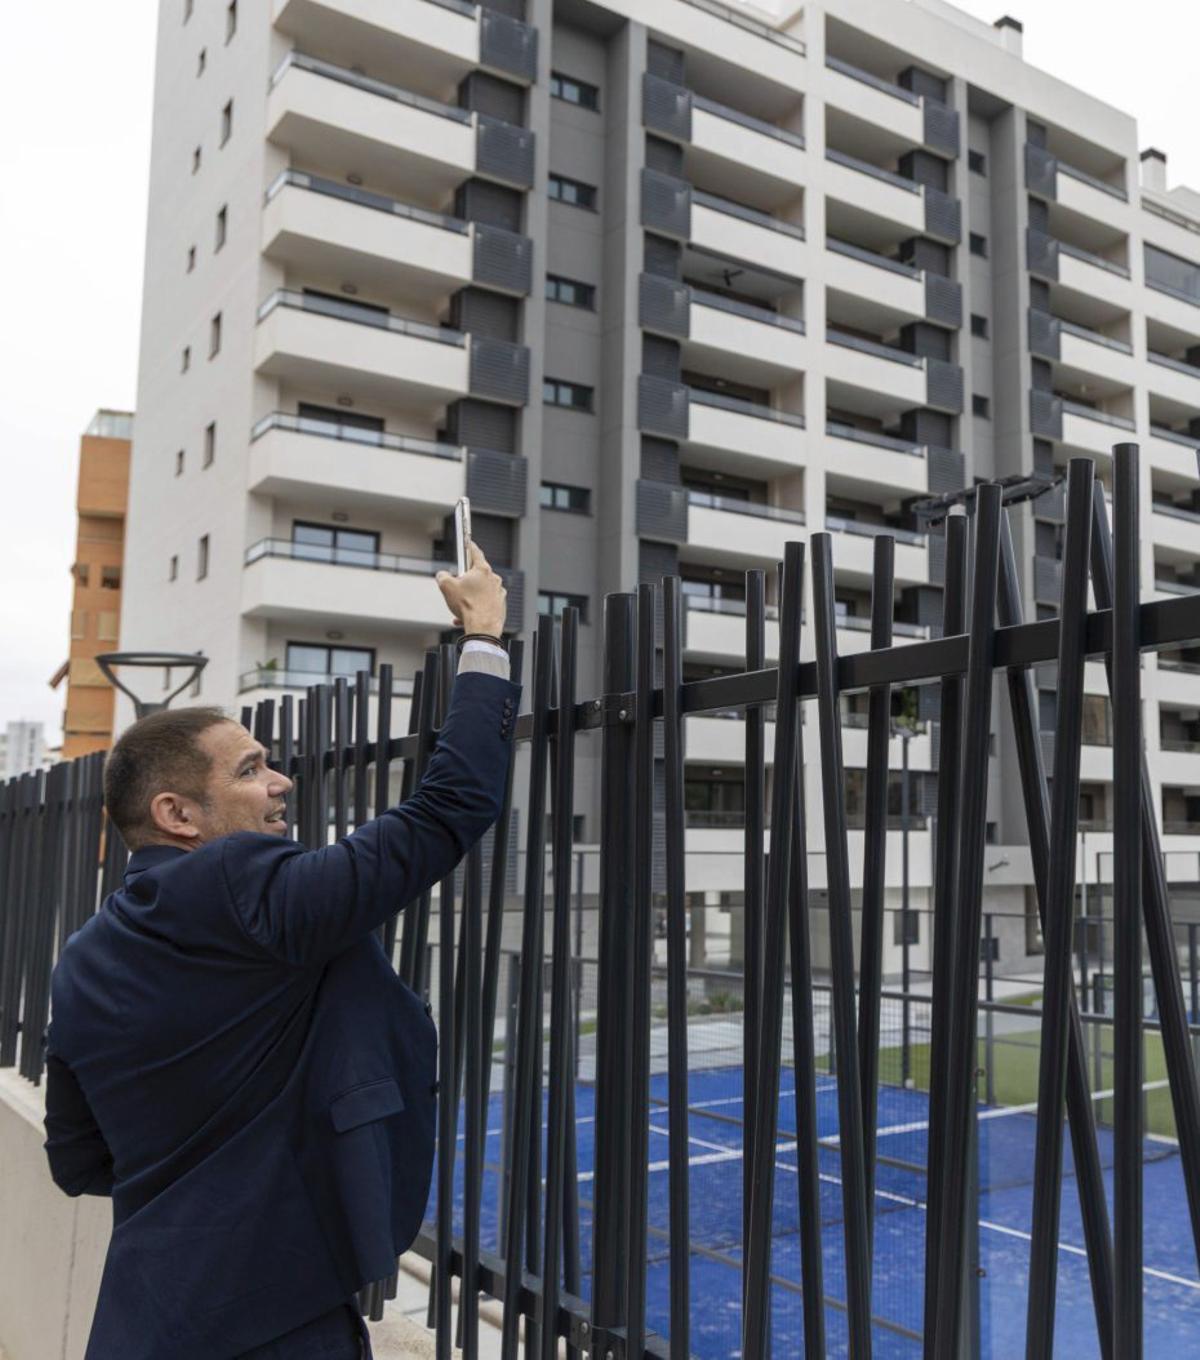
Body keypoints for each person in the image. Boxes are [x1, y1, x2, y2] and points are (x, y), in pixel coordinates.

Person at [41, 545, 518, 1359]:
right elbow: (448, 811)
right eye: (252, 768)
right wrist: (484, 636)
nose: (282, 781)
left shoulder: (83, 958)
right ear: (179, 814)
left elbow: (80, 1161)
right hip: (276, 1323)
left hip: (138, 1322)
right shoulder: (245, 890)